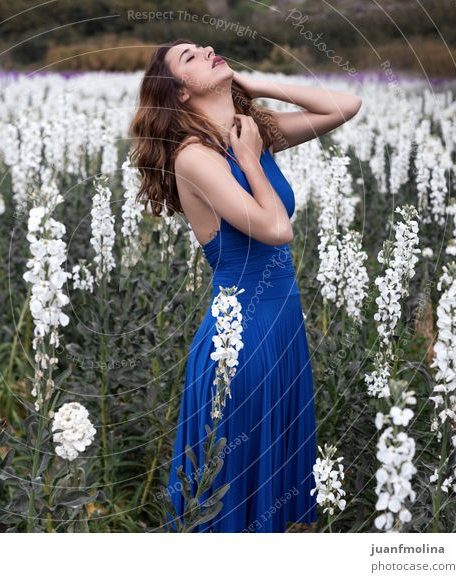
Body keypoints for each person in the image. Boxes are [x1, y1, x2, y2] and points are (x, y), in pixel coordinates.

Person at [128, 38, 362, 532]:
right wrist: (251, 158)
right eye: (190, 58)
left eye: (202, 46)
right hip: (242, 342)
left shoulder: (247, 132)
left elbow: (347, 105)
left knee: (276, 477)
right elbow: (276, 229)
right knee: (235, 490)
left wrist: (256, 85)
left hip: (282, 331)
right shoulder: (194, 157)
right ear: (181, 94)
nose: (207, 49)